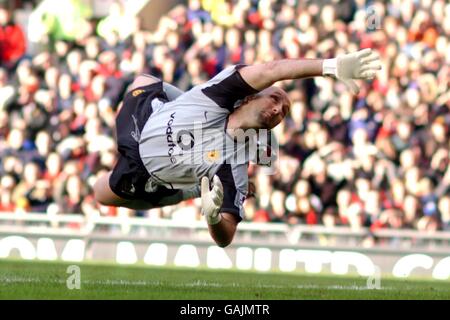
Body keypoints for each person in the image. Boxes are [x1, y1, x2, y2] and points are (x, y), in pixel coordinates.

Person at [94, 48, 381, 247]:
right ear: (249, 97)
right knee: (144, 79)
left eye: (284, 112)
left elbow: (225, 236)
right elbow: (274, 69)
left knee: (101, 193)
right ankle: (188, 168)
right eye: (275, 99)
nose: (279, 109)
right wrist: (330, 67)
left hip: (146, 172)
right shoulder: (220, 92)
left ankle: (191, 190)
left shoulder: (235, 166)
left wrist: (213, 215)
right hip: (143, 119)